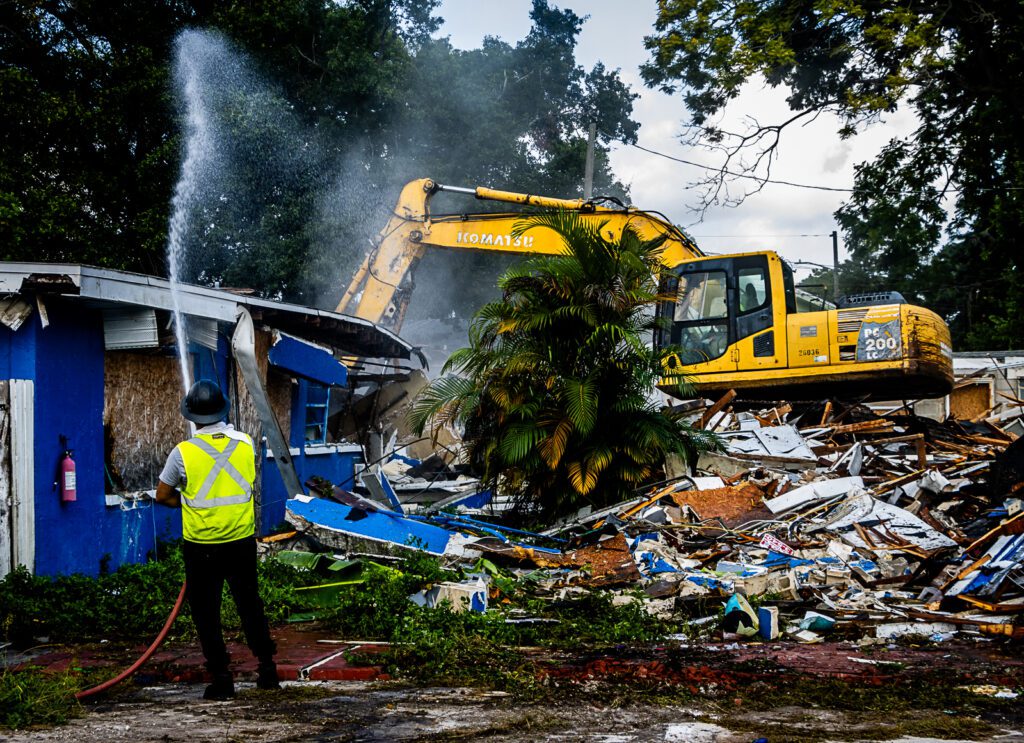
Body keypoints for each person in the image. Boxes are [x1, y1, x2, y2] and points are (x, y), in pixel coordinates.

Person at [156, 379, 279, 700]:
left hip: (202, 547)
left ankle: (222, 679)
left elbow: (162, 495)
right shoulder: (246, 443)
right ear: (223, 410)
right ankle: (268, 670)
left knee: (206, 613)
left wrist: (186, 501)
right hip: (241, 542)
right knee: (250, 604)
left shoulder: (182, 453)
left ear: (192, 416)